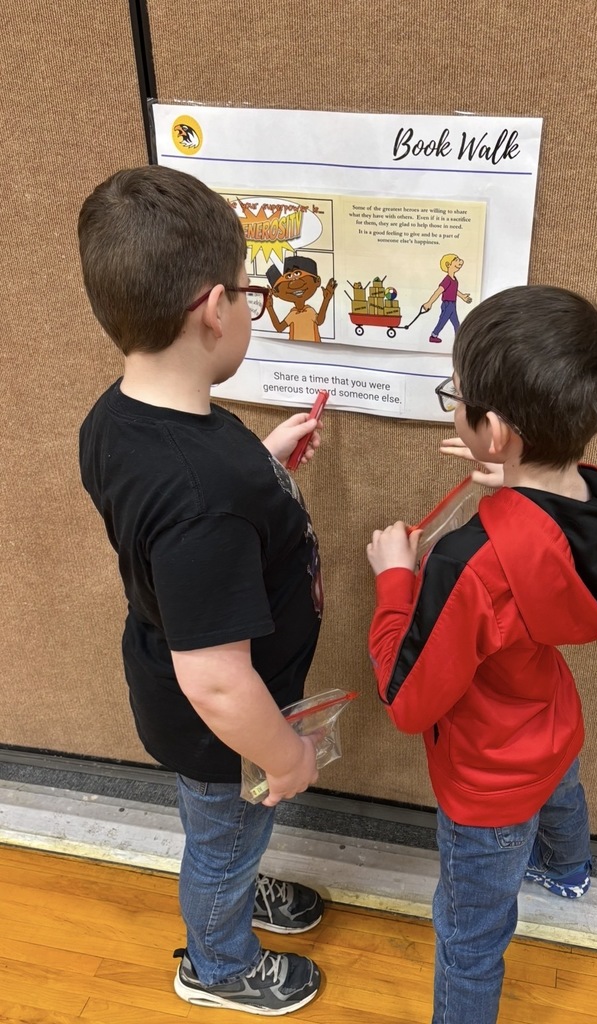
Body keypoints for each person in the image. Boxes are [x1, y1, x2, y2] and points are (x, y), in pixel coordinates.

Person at [77, 165, 327, 1015]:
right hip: (226, 728)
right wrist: (284, 755)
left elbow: (179, 509)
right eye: (251, 294)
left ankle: (233, 886)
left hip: (201, 702)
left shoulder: (119, 417)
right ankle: (217, 964)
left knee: (230, 830)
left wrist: (260, 464)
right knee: (224, 837)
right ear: (215, 308)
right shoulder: (204, 497)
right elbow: (217, 682)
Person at [366, 285, 597, 1024]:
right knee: (560, 793)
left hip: (487, 782)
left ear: (494, 432)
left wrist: (395, 581)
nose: (453, 406)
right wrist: (515, 480)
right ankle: (570, 871)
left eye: (456, 397)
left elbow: (407, 700)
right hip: (550, 725)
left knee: (470, 938)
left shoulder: (467, 564)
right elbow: (562, 523)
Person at [266, 255, 337, 342]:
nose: (294, 283)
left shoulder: (309, 311)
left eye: (297, 274)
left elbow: (320, 321)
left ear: (317, 281)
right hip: (296, 349)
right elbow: (279, 328)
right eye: (288, 276)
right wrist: (269, 307)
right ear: (275, 292)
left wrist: (326, 299)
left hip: (314, 348)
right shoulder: (293, 314)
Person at [422, 253, 472, 344]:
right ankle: (433, 336)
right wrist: (429, 302)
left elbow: (454, 290)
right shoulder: (447, 280)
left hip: (452, 304)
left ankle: (458, 339)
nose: (459, 262)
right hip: (447, 304)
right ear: (448, 265)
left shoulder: (454, 279)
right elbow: (438, 291)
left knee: (456, 323)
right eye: (456, 260)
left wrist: (462, 296)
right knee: (443, 321)